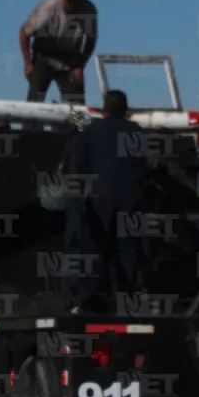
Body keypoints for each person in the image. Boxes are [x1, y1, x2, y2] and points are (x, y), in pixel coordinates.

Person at [61, 89, 150, 312]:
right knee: (128, 250)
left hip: (99, 199)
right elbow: (145, 166)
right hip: (130, 199)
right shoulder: (137, 132)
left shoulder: (91, 132)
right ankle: (127, 302)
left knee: (95, 250)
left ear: (104, 109)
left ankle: (92, 301)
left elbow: (78, 166)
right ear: (126, 110)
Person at [20, 0, 98, 106]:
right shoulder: (49, 6)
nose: (71, 4)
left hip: (70, 60)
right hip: (44, 56)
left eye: (75, 1)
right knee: (35, 102)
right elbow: (24, 32)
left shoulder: (89, 11)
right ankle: (31, 126)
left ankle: (74, 126)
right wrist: (28, 63)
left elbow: (90, 41)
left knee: (76, 107)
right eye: (68, 0)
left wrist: (80, 66)